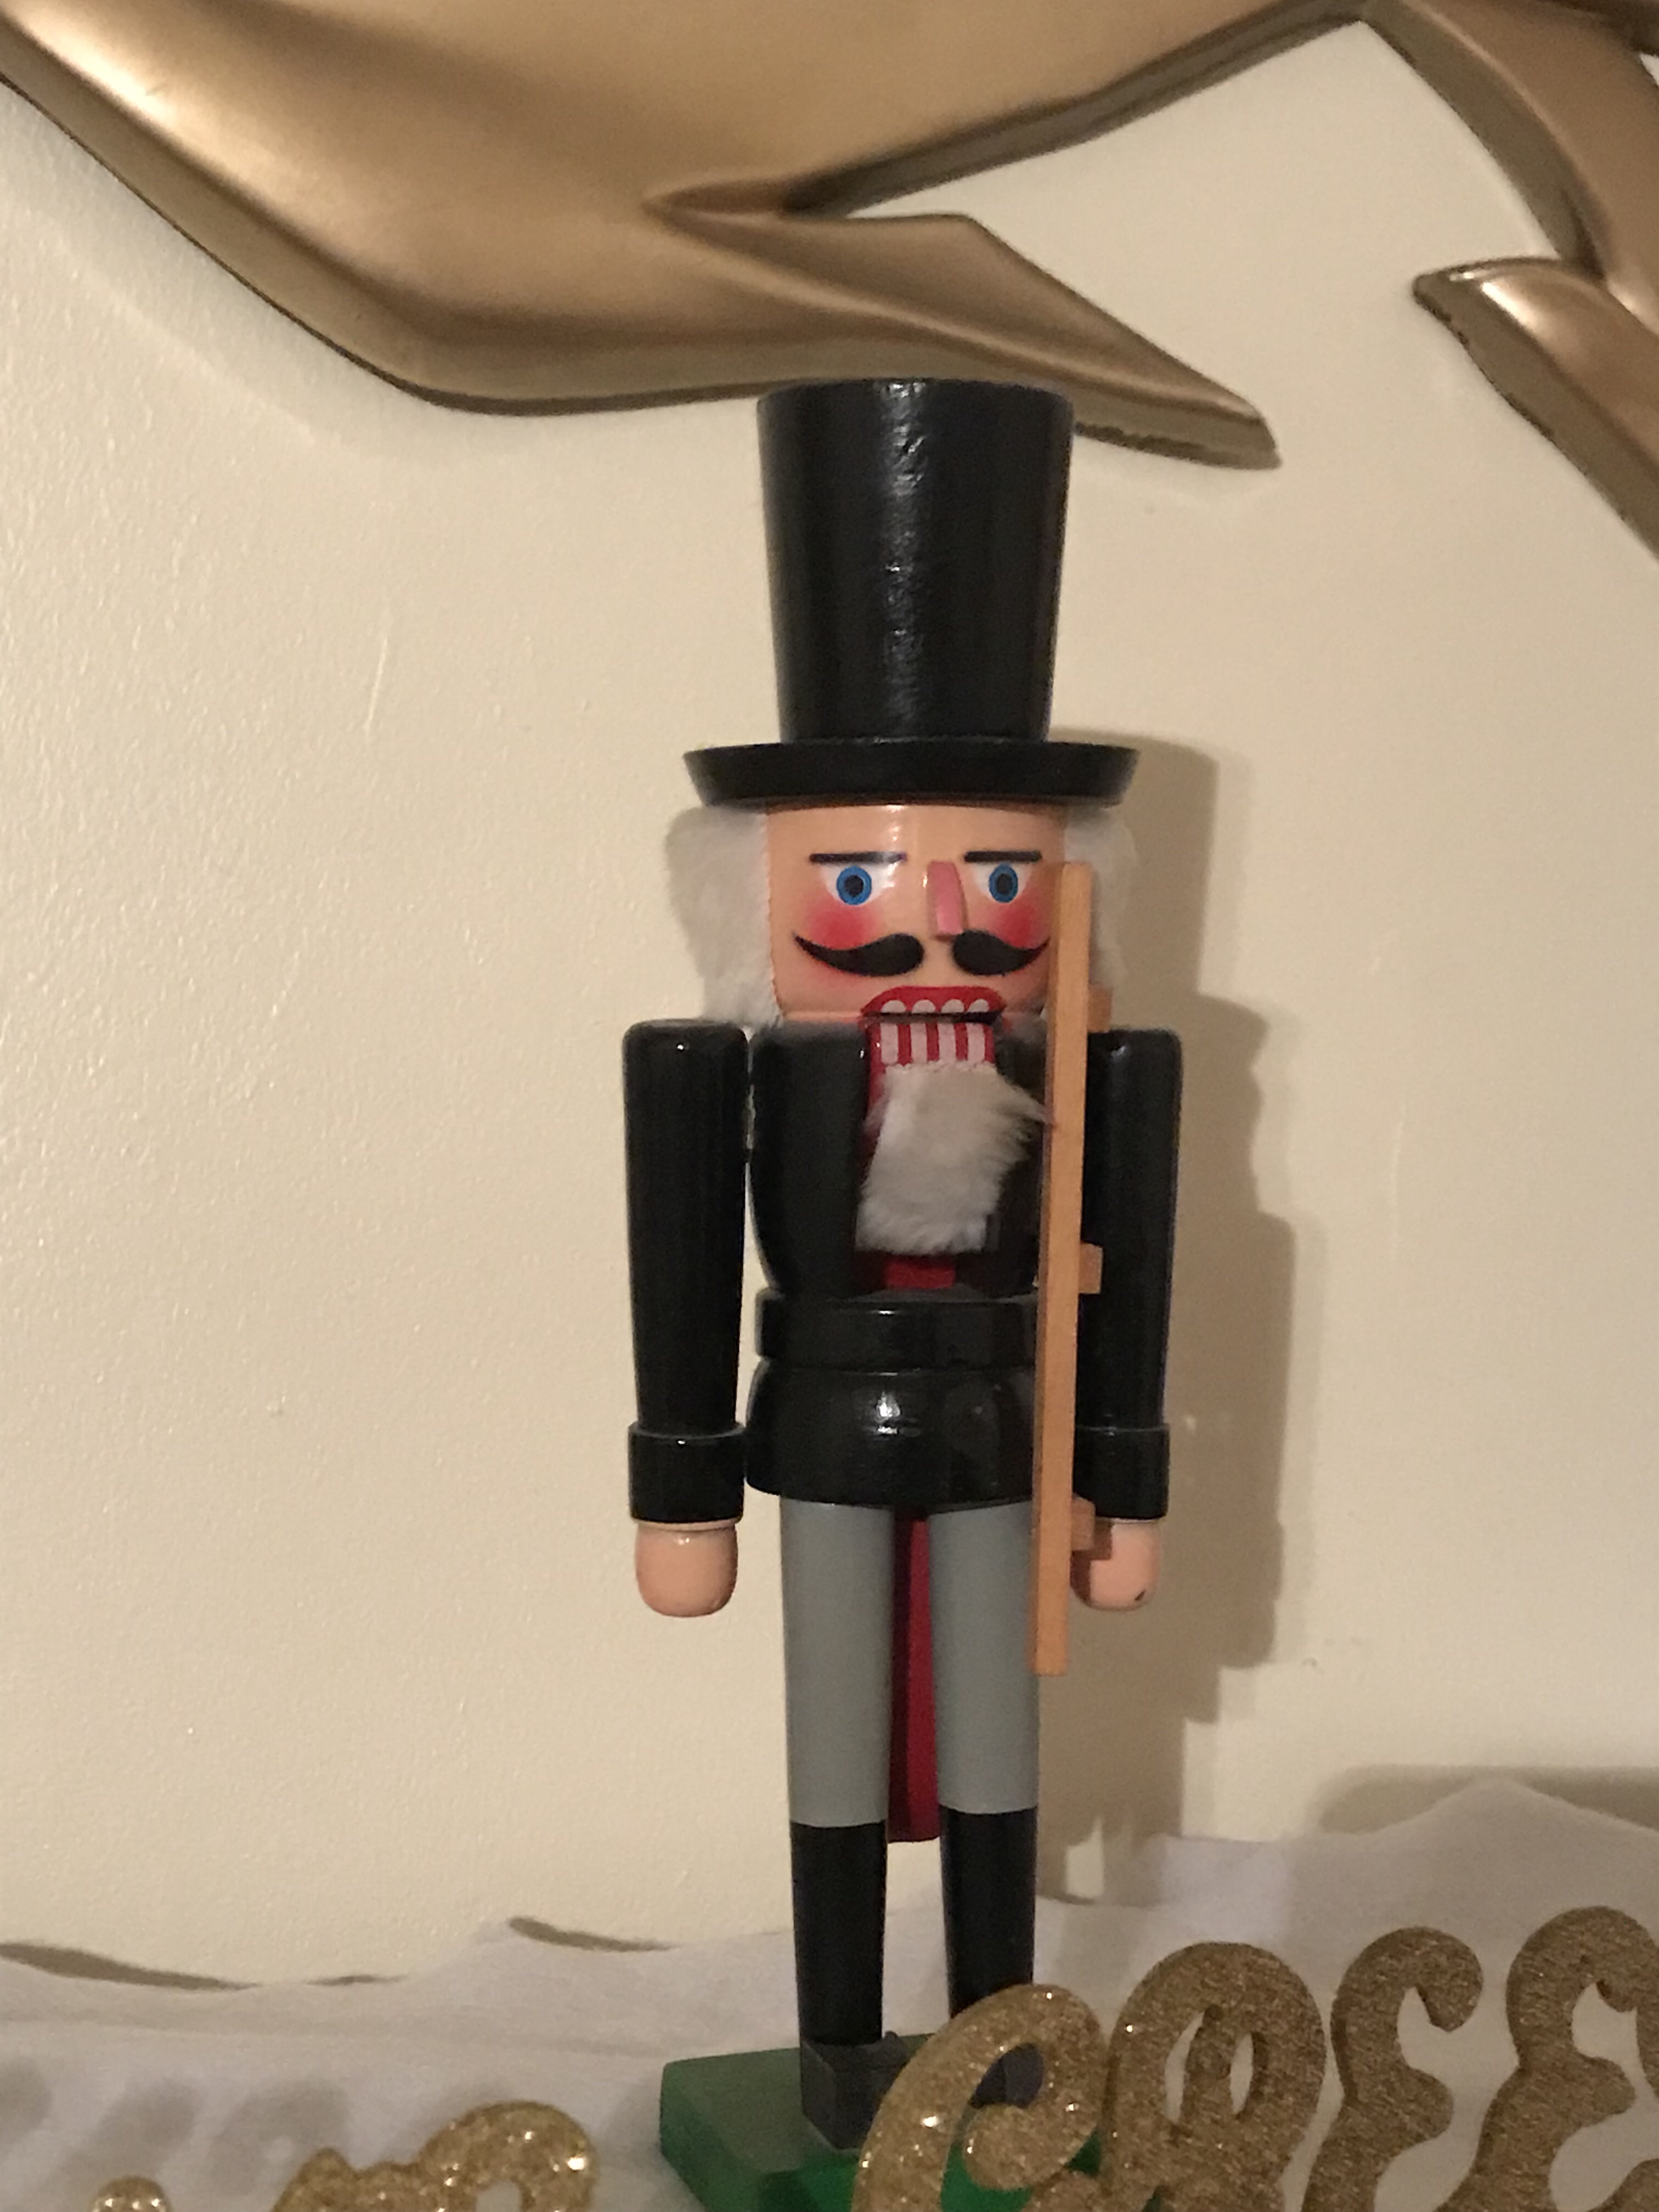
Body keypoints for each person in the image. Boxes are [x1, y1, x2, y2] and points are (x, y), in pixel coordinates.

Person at [624, 377, 1180, 2149]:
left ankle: (1003, 2036)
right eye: (861, 889)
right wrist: (684, 1490)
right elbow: (678, 1269)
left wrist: (1122, 1481)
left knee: (1000, 1748)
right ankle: (840, 2044)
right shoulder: (719, 1068)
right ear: (754, 895)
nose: (937, 924)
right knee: (835, 1740)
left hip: (1006, 1423)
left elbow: (1133, 1276)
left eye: (995, 886)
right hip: (821, 1426)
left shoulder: (1096, 1077)